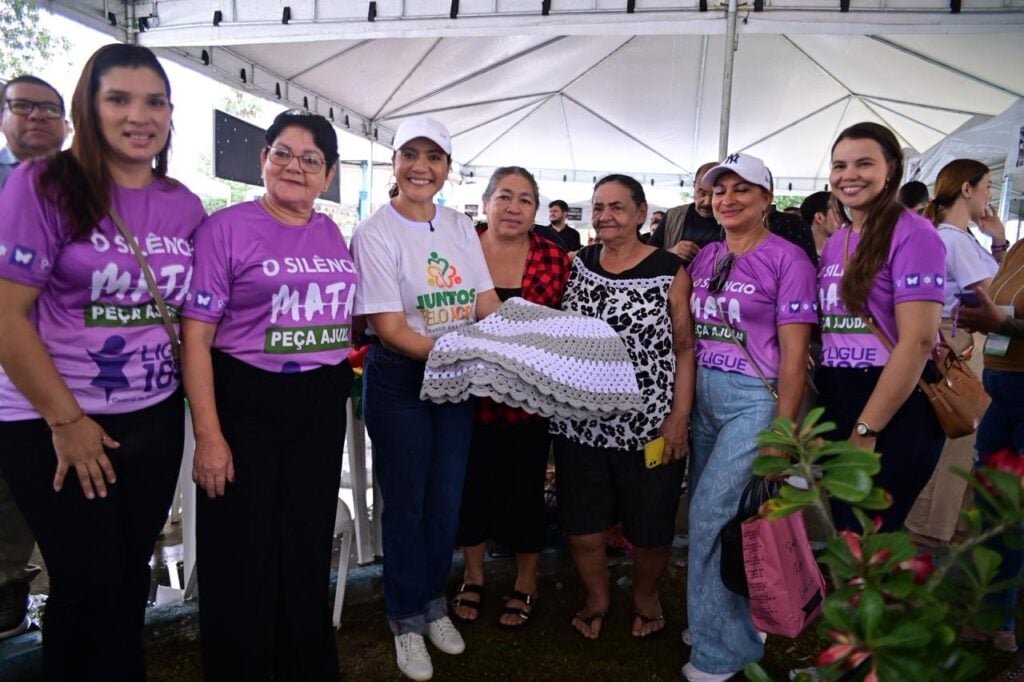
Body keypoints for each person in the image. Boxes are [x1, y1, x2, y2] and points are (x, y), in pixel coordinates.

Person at [0, 44, 204, 679]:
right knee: (86, 583)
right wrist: (68, 423)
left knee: (126, 575)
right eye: (118, 98)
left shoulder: (184, 203)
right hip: (54, 424)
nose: (138, 115)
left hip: (153, 416)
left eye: (154, 102)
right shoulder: (44, 184)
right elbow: (6, 315)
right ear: (90, 107)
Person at [181, 109, 357, 681]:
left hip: (321, 400)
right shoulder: (224, 228)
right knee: (242, 552)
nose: (294, 167)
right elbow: (196, 338)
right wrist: (209, 434)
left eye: (310, 159)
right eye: (282, 152)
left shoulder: (330, 231)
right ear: (262, 160)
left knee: (305, 546)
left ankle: (305, 666)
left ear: (327, 175)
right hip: (247, 401)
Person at [350, 116, 501, 681]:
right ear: (394, 163)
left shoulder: (462, 225)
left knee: (445, 501)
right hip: (402, 382)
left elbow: (485, 302)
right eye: (410, 154)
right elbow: (388, 328)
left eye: (433, 157)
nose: (421, 166)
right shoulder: (375, 232)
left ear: (446, 168)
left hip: (456, 378)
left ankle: (435, 604)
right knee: (407, 504)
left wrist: (535, 336)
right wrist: (457, 358)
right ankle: (405, 620)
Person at [683, 153, 817, 682]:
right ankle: (714, 617)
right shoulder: (707, 256)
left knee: (709, 518)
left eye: (743, 190)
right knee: (715, 516)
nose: (729, 199)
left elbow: (794, 358)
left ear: (767, 199)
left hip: (753, 401)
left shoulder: (789, 260)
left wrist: (782, 434)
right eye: (720, 190)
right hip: (705, 398)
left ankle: (721, 655)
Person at [550, 174, 695, 642]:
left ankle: (646, 597)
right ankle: (597, 598)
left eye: (616, 207)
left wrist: (678, 417)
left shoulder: (670, 271)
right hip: (580, 423)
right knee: (583, 522)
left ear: (640, 212)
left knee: (651, 524)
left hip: (650, 425)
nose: (605, 216)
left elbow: (685, 348)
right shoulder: (577, 264)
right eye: (598, 207)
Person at [450, 167, 570, 630]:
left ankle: (526, 582)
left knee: (524, 491)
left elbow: (566, 330)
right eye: (504, 196)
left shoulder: (557, 260)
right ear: (485, 203)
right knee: (470, 488)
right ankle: (474, 575)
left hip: (529, 401)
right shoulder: (458, 253)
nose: (513, 207)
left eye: (524, 200)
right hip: (465, 395)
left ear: (536, 212)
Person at [817, 122, 946, 532]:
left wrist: (866, 427)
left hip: (893, 400)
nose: (848, 175)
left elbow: (919, 340)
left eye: (864, 163)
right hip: (838, 393)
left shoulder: (915, 234)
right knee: (845, 534)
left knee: (869, 536)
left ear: (891, 169)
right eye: (840, 165)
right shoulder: (839, 239)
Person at [0, 74, 67, 642]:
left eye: (50, 109)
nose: (37, 118)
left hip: (66, 390)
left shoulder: (85, 187)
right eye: (24, 107)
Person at [906, 159, 1004, 543]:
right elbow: (994, 296)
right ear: (967, 189)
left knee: (963, 437)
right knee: (958, 435)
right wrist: (998, 241)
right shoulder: (950, 238)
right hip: (960, 341)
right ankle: (931, 528)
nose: (990, 195)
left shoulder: (959, 238)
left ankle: (943, 525)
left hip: (964, 340)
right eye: (988, 186)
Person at [957, 244, 1024, 656]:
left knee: (1013, 511)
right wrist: (985, 319)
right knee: (991, 504)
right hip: (1000, 387)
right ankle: (990, 616)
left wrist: (1004, 322)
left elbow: (1008, 317)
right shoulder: (1018, 248)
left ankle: (1000, 621)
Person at [649, 161, 720, 263]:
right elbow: (647, 256)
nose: (707, 202)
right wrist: (671, 252)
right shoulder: (673, 216)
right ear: (694, 186)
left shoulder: (730, 219)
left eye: (715, 194)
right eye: (702, 193)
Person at [800, 190, 843, 256]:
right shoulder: (799, 255)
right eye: (838, 213)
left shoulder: (845, 254)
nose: (844, 220)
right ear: (819, 218)